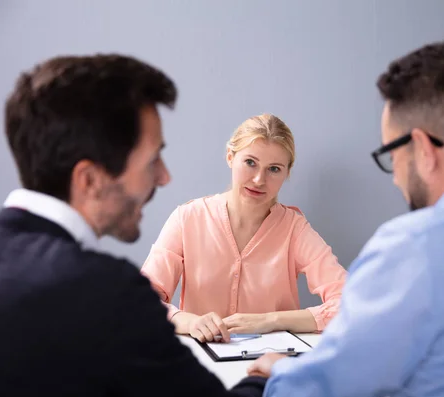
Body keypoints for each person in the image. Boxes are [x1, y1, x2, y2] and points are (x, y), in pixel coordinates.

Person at [0, 54, 267, 397]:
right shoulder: (110, 294)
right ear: (90, 180)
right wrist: (268, 377)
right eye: (152, 160)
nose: (164, 176)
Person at [247, 39, 444, 397]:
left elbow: (323, 390)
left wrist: (280, 371)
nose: (394, 177)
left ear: (422, 149)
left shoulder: (414, 247)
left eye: (391, 153)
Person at [141, 113, 347, 342]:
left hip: (270, 364)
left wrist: (272, 321)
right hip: (200, 362)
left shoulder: (294, 229)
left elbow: (349, 303)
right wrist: (190, 322)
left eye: (274, 169)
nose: (259, 179)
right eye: (250, 163)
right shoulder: (187, 219)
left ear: (287, 173)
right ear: (230, 157)